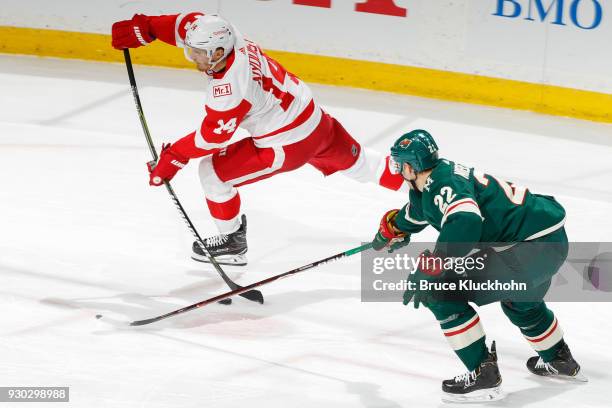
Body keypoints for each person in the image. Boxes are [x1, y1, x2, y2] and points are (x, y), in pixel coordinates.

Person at [111, 12, 407, 266]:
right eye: (192, 51)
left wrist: (175, 156)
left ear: (217, 53)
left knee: (212, 173)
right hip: (315, 119)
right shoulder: (229, 35)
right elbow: (187, 23)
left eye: (199, 54)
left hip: (287, 144)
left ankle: (231, 244)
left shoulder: (229, 88)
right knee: (362, 164)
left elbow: (211, 137)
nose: (194, 58)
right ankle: (426, 185)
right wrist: (147, 27)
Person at [372, 129, 586, 402]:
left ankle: (483, 375)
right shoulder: (437, 176)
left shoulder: (443, 184)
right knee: (521, 301)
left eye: (399, 164)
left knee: (440, 293)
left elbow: (466, 222)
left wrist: (432, 266)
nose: (397, 169)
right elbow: (422, 210)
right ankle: (559, 359)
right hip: (549, 241)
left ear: (411, 167)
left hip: (527, 251)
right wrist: (393, 228)